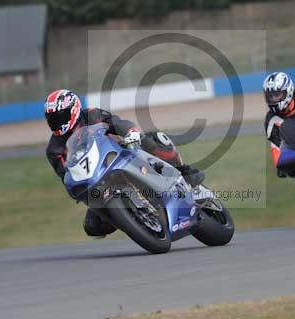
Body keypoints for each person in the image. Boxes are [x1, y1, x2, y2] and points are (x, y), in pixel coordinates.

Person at [44, 89, 204, 238]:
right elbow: (66, 175)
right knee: (92, 226)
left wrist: (131, 133)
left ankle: (183, 171)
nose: (56, 122)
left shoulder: (92, 115)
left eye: (59, 116)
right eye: (51, 119)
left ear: (73, 109)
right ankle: (133, 219)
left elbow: (117, 123)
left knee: (154, 140)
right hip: (95, 180)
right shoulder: (54, 149)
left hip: (121, 154)